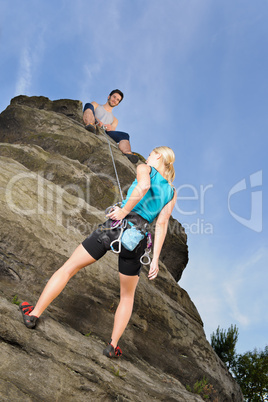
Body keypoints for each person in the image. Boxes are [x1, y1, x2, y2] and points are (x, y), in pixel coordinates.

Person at [19, 146, 177, 358]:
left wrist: (123, 211)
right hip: (137, 239)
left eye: (151, 153)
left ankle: (34, 314)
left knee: (69, 268)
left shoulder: (145, 169)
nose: (148, 156)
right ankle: (112, 346)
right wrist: (155, 259)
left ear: (157, 156)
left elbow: (143, 187)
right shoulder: (172, 192)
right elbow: (162, 223)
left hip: (115, 227)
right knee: (127, 295)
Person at [83, 89, 139, 164]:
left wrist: (109, 128)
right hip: (93, 124)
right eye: (114, 97)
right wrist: (97, 121)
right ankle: (90, 125)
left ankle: (128, 153)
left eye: (117, 100)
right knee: (88, 105)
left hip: (105, 132)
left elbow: (112, 131)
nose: (115, 100)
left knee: (125, 135)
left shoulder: (115, 120)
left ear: (118, 103)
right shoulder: (96, 104)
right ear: (109, 96)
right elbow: (88, 110)